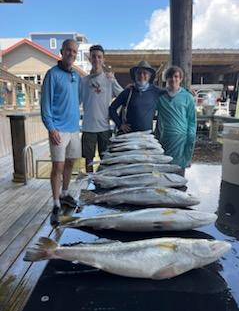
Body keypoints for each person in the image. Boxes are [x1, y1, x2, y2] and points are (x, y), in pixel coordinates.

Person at [40, 39, 81, 225]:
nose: (71, 54)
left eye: (74, 51)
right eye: (68, 50)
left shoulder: (76, 76)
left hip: (74, 129)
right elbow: (45, 105)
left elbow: (77, 100)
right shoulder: (52, 74)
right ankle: (56, 203)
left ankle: (65, 193)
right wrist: (51, 128)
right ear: (62, 51)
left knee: (71, 163)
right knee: (57, 167)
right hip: (58, 130)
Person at [81, 45, 123, 173]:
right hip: (88, 127)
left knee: (106, 159)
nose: (96, 59)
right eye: (93, 56)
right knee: (88, 159)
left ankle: (103, 185)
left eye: (99, 57)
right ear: (90, 59)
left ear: (103, 60)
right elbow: (75, 100)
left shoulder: (109, 79)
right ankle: (89, 184)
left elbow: (124, 96)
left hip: (105, 126)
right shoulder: (83, 81)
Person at [156, 65, 196, 176]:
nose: (173, 79)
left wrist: (191, 138)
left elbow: (192, 120)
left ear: (181, 79)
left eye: (176, 76)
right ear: (166, 79)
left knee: (179, 175)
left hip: (181, 140)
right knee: (164, 175)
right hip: (164, 139)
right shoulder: (160, 97)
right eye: (170, 76)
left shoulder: (188, 97)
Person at [109, 61, 162, 133]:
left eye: (145, 73)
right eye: (139, 73)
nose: (142, 75)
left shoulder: (156, 92)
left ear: (149, 76)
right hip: (129, 136)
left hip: (147, 137)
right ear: (135, 75)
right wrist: (120, 124)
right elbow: (112, 108)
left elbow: (170, 94)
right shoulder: (128, 92)